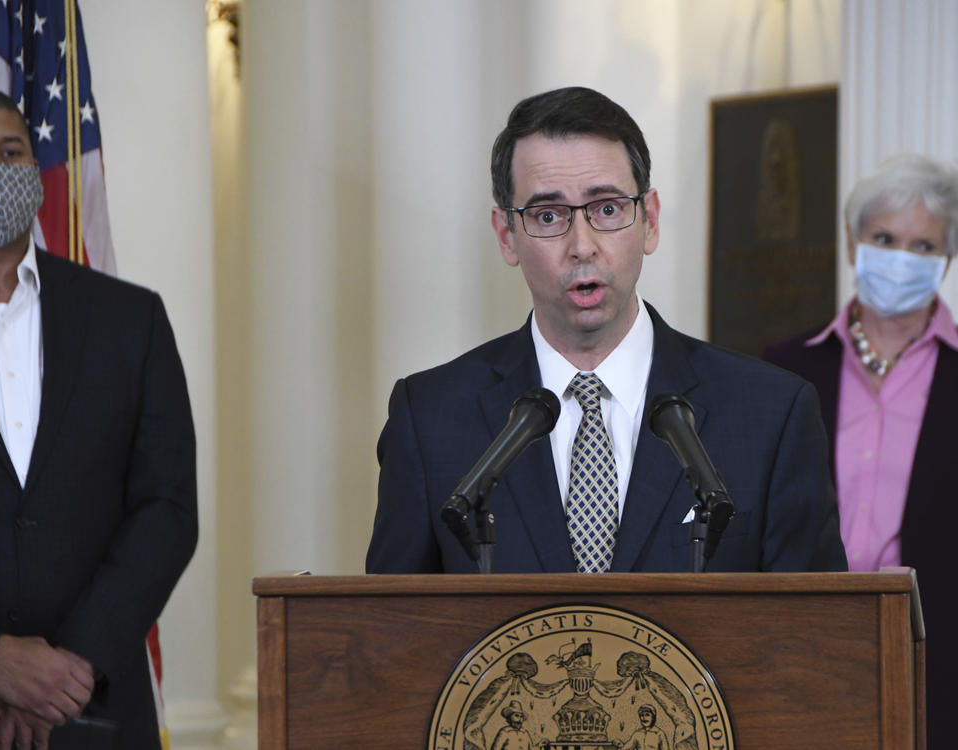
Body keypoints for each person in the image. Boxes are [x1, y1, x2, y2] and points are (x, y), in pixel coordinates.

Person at [367, 86, 845, 576]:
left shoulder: (771, 416)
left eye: (608, 209)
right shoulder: (429, 418)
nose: (582, 245)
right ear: (506, 236)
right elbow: (391, 634)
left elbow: (818, 637)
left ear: (650, 220)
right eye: (548, 216)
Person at [0, 83, 197, 749]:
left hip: (91, 708)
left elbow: (167, 507)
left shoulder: (129, 318)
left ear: (36, 174)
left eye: (10, 153)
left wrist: (67, 669)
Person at [763, 153, 958, 750]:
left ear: (947, 260)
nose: (902, 258)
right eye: (884, 238)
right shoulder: (781, 370)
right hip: (802, 644)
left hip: (938, 654)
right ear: (852, 245)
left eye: (923, 246)